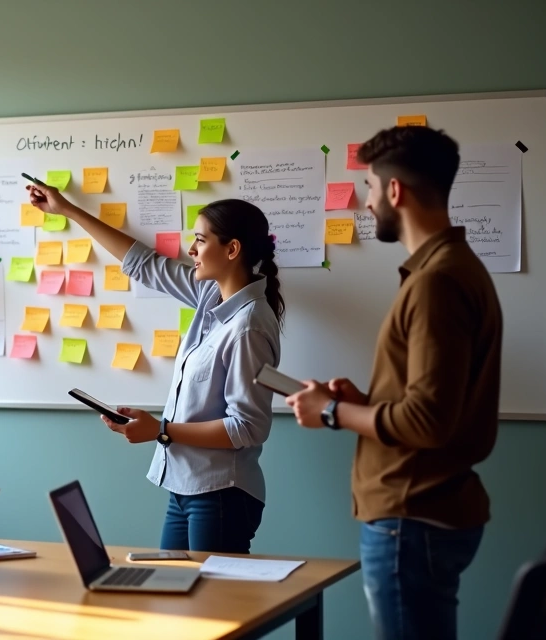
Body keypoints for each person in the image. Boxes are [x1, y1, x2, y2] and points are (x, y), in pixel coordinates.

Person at [286, 126, 501, 640]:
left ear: (395, 192)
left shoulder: (437, 283)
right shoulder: (452, 270)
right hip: (425, 512)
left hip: (411, 515)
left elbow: (427, 421)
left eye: (371, 189)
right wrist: (366, 402)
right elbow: (435, 401)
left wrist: (334, 413)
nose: (366, 202)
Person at [27, 184, 283, 554]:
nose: (191, 249)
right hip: (183, 487)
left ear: (231, 249)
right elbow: (145, 265)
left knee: (213, 608)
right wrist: (68, 210)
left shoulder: (249, 326)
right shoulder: (211, 296)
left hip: (220, 494)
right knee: (174, 601)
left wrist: (161, 430)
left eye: (200, 240)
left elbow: (248, 426)